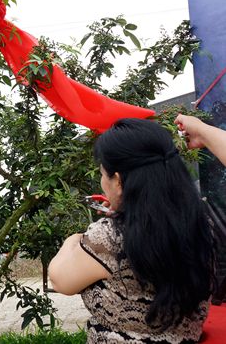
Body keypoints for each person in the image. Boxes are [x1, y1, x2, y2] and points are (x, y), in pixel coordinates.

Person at [48, 118, 214, 342]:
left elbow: (59, 280)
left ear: (117, 181)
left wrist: (75, 238)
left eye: (102, 174)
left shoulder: (107, 237)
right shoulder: (201, 223)